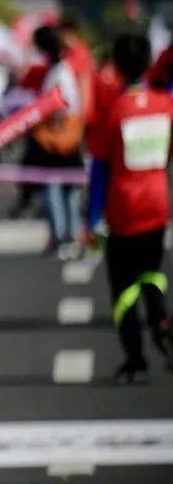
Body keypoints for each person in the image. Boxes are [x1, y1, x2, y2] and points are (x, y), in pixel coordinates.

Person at [86, 33, 173, 384]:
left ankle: (135, 357)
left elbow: (100, 168)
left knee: (122, 287)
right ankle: (161, 320)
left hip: (123, 208)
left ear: (117, 67)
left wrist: (92, 217)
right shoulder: (165, 105)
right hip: (156, 203)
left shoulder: (115, 111)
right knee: (151, 271)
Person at [31, 25, 85, 260]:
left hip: (58, 136)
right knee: (64, 188)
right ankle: (65, 234)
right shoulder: (60, 68)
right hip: (61, 137)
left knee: (57, 188)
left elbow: (66, 104)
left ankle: (64, 235)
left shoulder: (60, 71)